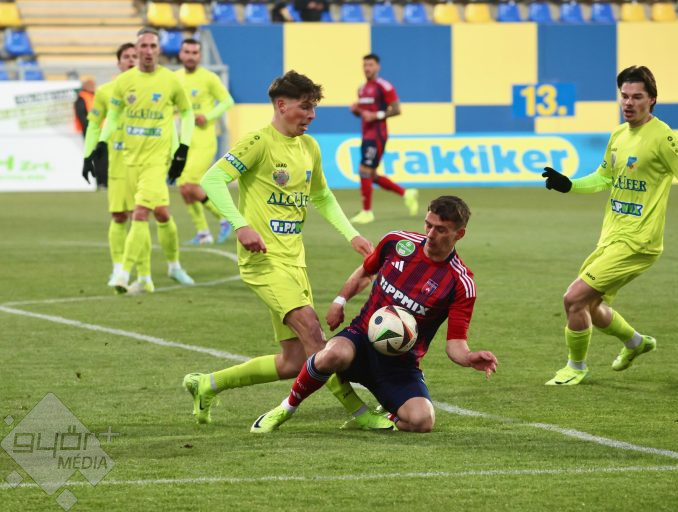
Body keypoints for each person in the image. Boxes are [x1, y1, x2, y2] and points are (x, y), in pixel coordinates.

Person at [182, 70, 395, 430]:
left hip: (295, 261)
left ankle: (208, 384)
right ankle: (360, 414)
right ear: (282, 105)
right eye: (305, 107)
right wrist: (241, 225)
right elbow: (212, 180)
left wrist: (351, 235)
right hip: (263, 261)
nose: (311, 115)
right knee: (314, 336)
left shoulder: (309, 147)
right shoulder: (258, 142)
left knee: (294, 362)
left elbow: (322, 196)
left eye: (314, 108)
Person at [251, 196, 499, 433]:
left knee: (422, 421)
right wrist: (340, 301)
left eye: (441, 230)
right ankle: (285, 408)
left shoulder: (460, 283)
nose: (431, 234)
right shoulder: (396, 242)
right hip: (359, 340)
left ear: (459, 234)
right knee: (331, 353)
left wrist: (469, 358)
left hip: (399, 365)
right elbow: (365, 271)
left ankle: (388, 415)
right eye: (428, 225)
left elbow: (455, 344)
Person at [541, 65, 678, 386]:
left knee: (573, 298)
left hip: (639, 242)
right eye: (624, 96)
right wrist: (569, 185)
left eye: (637, 97)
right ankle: (636, 343)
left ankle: (576, 367)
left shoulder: (664, 138)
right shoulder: (618, 135)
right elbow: (603, 178)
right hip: (612, 237)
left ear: (652, 100)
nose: (628, 103)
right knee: (591, 305)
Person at [94, 27, 196, 294]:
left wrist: (183, 147)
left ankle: (123, 273)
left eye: (153, 46)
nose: (148, 51)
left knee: (139, 213)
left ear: (159, 50)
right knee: (160, 213)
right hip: (129, 160)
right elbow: (113, 115)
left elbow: (186, 113)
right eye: (144, 46)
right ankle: (154, 275)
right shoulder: (124, 82)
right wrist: (103, 141)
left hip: (156, 161)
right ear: (136, 49)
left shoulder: (171, 80)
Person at [82, 43, 138, 288]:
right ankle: (118, 269)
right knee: (118, 216)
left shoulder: (151, 90)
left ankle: (140, 272)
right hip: (116, 162)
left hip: (144, 162)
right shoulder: (105, 92)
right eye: (127, 56)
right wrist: (88, 156)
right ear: (119, 62)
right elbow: (94, 125)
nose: (131, 60)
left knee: (140, 217)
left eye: (135, 56)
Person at [175, 38, 235, 245]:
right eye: (187, 52)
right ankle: (203, 233)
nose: (190, 56)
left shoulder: (209, 78)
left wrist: (208, 116)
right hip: (183, 139)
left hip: (204, 139)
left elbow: (227, 101)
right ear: (181, 54)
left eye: (194, 52)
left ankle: (224, 219)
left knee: (190, 184)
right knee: (183, 188)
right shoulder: (175, 78)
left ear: (200, 55)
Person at [349, 53, 418, 225]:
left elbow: (396, 109)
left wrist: (377, 115)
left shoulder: (384, 86)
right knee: (371, 175)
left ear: (378, 67)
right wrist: (357, 110)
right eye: (365, 65)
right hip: (366, 134)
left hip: (377, 135)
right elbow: (365, 113)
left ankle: (367, 212)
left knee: (364, 170)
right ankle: (406, 193)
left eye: (370, 65)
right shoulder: (361, 88)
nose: (367, 68)